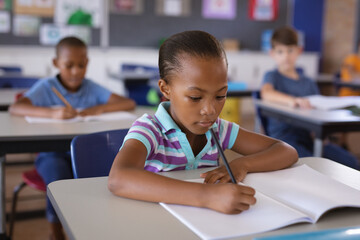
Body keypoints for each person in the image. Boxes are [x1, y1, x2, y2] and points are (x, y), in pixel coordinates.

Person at [108, 30, 298, 214]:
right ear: (165, 89)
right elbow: (119, 178)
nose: (211, 110)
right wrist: (207, 196)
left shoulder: (219, 129)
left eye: (221, 95)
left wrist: (242, 165)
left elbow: (286, 151)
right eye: (195, 97)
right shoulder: (150, 129)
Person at [9, 36, 136, 240]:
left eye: (81, 65)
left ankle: (97, 227)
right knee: (58, 175)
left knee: (105, 175)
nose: (76, 72)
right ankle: (56, 229)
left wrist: (98, 108)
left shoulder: (91, 87)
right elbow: (16, 107)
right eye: (69, 66)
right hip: (52, 154)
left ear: (87, 63)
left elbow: (127, 103)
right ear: (56, 64)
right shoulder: (46, 87)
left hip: (84, 154)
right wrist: (52, 114)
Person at [261, 26, 360, 170]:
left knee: (350, 161)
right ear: (272, 53)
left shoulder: (308, 82)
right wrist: (293, 101)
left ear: (299, 51)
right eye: (280, 52)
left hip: (309, 137)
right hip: (284, 138)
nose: (286, 56)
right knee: (310, 165)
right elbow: (266, 93)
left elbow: (318, 108)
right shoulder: (272, 76)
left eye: (290, 50)